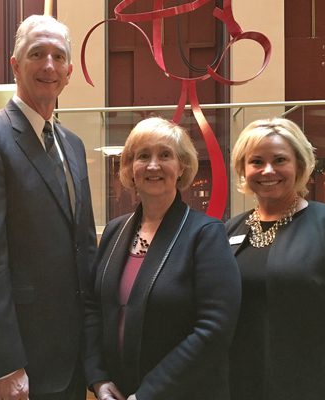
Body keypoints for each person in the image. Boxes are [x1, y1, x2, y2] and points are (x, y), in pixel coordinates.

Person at [0, 15, 97, 400]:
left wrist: (94, 354)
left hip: (71, 360)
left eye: (58, 56)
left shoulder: (73, 145)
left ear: (68, 73)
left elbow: (83, 247)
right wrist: (6, 363)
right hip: (18, 366)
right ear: (15, 65)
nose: (49, 65)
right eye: (37, 54)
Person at [83, 117, 241, 400]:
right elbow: (94, 307)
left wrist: (149, 394)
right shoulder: (115, 231)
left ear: (182, 167)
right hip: (117, 391)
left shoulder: (206, 234)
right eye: (143, 156)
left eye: (165, 155)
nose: (153, 165)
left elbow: (214, 328)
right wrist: (99, 378)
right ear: (130, 168)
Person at [226, 117, 325, 400]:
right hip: (241, 385)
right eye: (256, 161)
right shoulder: (229, 230)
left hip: (317, 386)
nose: (268, 170)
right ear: (243, 169)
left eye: (280, 160)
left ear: (299, 165)